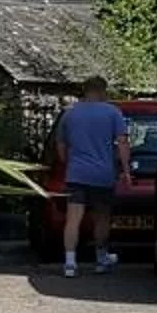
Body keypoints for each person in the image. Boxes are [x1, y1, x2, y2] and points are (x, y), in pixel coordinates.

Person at [56, 75, 134, 275]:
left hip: (76, 174)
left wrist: (69, 164)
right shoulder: (112, 112)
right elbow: (122, 143)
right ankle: (101, 259)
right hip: (102, 174)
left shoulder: (69, 115)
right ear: (102, 91)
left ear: (85, 91)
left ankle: (70, 263)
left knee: (73, 219)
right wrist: (126, 171)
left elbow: (61, 147)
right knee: (102, 217)